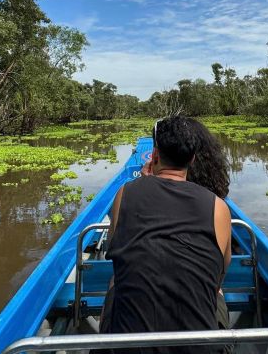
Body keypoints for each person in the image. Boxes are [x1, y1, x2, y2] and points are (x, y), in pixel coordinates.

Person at [99, 116, 232, 354]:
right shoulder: (218, 208)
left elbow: (114, 249)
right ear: (192, 158)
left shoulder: (125, 194)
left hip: (128, 351)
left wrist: (145, 184)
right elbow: (219, 272)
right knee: (216, 290)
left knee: (115, 282)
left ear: (155, 155)